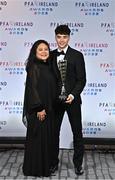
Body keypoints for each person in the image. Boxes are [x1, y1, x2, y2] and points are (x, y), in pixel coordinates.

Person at [51, 25, 86, 175]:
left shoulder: (77, 55)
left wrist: (72, 95)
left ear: (69, 38)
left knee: (77, 133)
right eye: (59, 37)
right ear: (55, 37)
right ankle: (53, 163)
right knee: (53, 133)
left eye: (64, 37)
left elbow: (81, 80)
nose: (61, 40)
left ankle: (78, 164)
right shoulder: (51, 55)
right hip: (55, 102)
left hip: (73, 101)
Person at [22, 40, 57, 177]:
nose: (44, 52)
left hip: (48, 109)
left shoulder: (47, 66)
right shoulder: (34, 67)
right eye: (40, 49)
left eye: (46, 49)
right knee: (38, 141)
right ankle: (35, 169)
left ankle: (44, 167)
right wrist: (39, 108)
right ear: (35, 52)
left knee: (44, 140)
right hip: (39, 111)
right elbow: (32, 90)